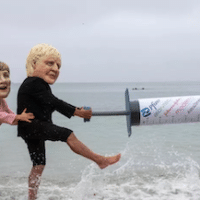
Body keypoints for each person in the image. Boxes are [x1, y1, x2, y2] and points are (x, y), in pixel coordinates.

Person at [17, 44, 121, 200]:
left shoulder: (36, 85)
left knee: (38, 165)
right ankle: (101, 160)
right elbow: (54, 102)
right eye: (50, 63)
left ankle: (32, 197)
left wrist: (75, 111)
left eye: (58, 65)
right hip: (32, 124)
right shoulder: (34, 82)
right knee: (68, 135)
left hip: (29, 128)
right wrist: (78, 111)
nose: (56, 69)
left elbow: (49, 104)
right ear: (34, 64)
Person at [0, 61, 34, 126]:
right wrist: (19, 117)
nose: (3, 80)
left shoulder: (2, 102)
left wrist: (24, 118)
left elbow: (11, 115)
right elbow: (2, 116)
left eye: (6, 75)